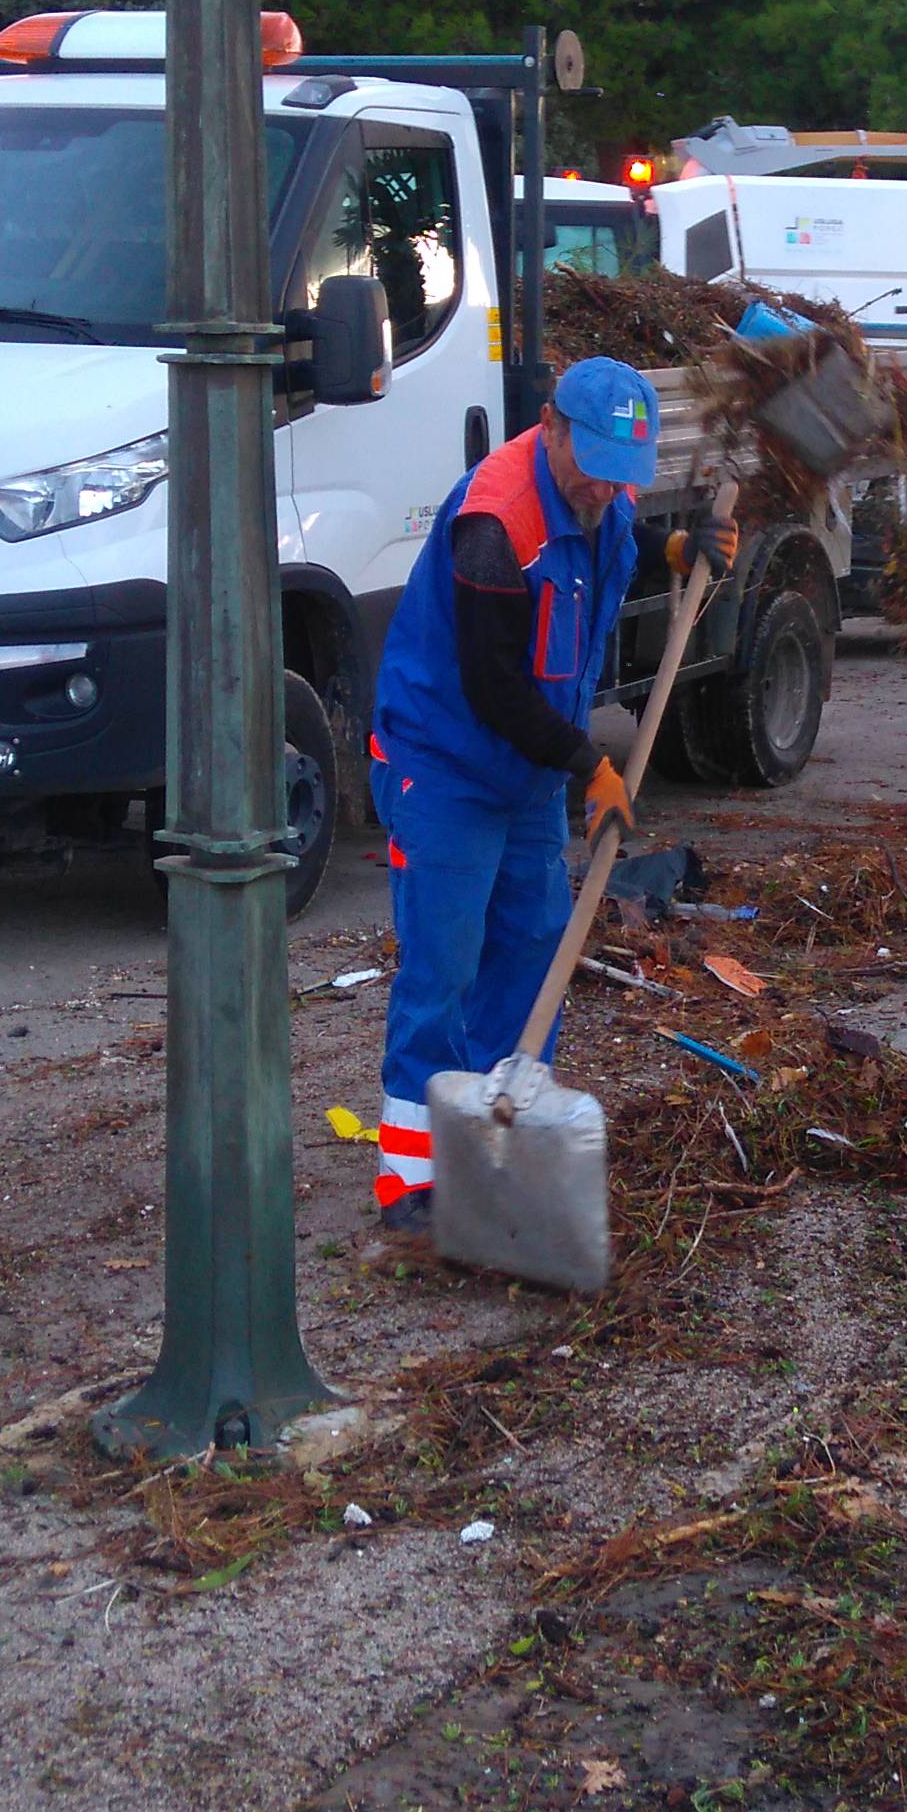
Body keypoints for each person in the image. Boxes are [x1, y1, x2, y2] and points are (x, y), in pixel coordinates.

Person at [368, 357, 739, 1244]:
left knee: (533, 954)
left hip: (526, 775)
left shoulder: (599, 498)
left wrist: (675, 550)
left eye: (625, 471)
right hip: (446, 762)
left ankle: (504, 1146)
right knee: (444, 967)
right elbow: (495, 687)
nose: (609, 485)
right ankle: (412, 1180)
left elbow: (613, 542)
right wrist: (589, 765)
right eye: (595, 462)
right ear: (550, 425)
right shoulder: (496, 523)